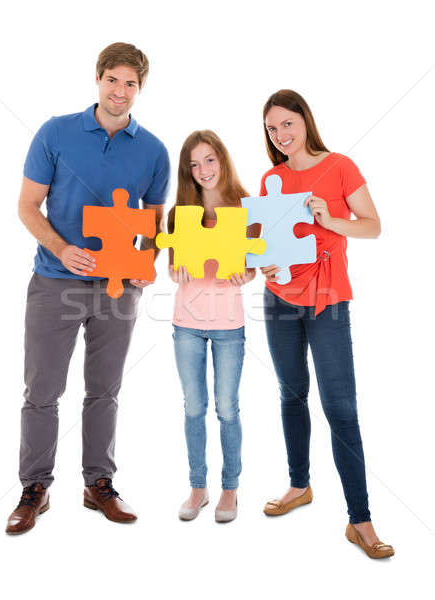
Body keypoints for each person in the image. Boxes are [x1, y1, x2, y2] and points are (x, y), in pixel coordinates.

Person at [6, 42, 170, 535]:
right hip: (55, 282)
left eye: (131, 84)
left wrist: (148, 263)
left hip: (119, 289)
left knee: (105, 391)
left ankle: (99, 483)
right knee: (42, 390)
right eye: (113, 80)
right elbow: (28, 206)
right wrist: (62, 250)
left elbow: (155, 222)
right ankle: (35, 488)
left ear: (141, 89)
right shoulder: (56, 132)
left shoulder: (154, 150)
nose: (120, 91)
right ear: (98, 79)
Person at [259, 89, 394, 559]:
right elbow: (265, 248)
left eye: (287, 125)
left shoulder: (339, 166)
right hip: (279, 301)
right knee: (291, 394)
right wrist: (266, 267)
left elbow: (373, 225)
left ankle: (361, 520)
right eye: (272, 129)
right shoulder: (271, 177)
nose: (281, 135)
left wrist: (331, 218)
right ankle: (300, 486)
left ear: (304, 121)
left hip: (328, 300)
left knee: (341, 407)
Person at [168, 131, 258, 523]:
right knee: (193, 408)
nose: (202, 169)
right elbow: (172, 268)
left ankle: (231, 491)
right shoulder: (180, 213)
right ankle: (197, 488)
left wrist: (246, 276)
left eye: (209, 160)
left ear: (222, 160)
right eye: (193, 163)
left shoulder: (246, 208)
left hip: (228, 325)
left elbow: (254, 265)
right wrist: (175, 270)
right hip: (186, 322)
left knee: (226, 408)